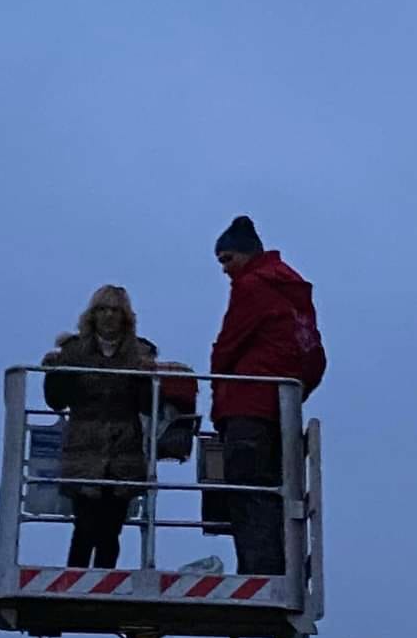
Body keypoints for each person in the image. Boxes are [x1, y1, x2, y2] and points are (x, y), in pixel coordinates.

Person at [43, 286, 196, 569]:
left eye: (115, 310)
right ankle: (75, 583)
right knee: (84, 527)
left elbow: (147, 406)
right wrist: (55, 374)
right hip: (83, 450)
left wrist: (146, 378)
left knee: (110, 532)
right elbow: (56, 401)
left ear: (125, 316)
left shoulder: (139, 353)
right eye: (103, 309)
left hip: (123, 452)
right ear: (92, 315)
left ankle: (102, 582)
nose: (109, 316)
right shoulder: (73, 351)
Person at [210, 215, 326, 576]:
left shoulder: (252, 286)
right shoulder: (294, 294)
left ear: (246, 254)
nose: (225, 270)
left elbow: (229, 343)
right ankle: (282, 569)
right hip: (281, 413)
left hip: (247, 407)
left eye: (227, 259)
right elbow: (315, 357)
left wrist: (218, 385)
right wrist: (295, 393)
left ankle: (258, 574)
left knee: (246, 495)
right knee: (277, 495)